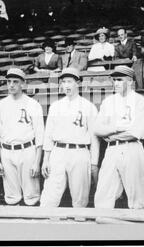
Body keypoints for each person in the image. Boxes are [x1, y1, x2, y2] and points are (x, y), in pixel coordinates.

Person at [40, 67, 100, 207]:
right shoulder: (55, 106)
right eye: (63, 82)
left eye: (70, 81)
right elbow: (48, 134)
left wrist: (94, 162)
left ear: (77, 83)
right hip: (58, 151)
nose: (66, 85)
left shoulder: (88, 107)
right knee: (49, 196)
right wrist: (45, 159)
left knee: (80, 197)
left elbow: (94, 138)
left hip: (80, 152)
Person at [94, 66, 144, 209]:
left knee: (136, 196)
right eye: (114, 80)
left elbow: (136, 132)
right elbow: (97, 129)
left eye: (120, 80)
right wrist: (116, 129)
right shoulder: (108, 101)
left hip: (132, 147)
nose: (116, 83)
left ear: (130, 81)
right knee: (103, 194)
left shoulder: (140, 101)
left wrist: (110, 135)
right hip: (112, 150)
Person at [0, 68, 44, 206]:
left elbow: (40, 136)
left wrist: (37, 162)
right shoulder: (0, 105)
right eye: (9, 81)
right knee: (11, 196)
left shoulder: (33, 104)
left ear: (23, 84)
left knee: (31, 195)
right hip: (7, 152)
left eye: (15, 82)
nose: (11, 85)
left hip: (27, 150)